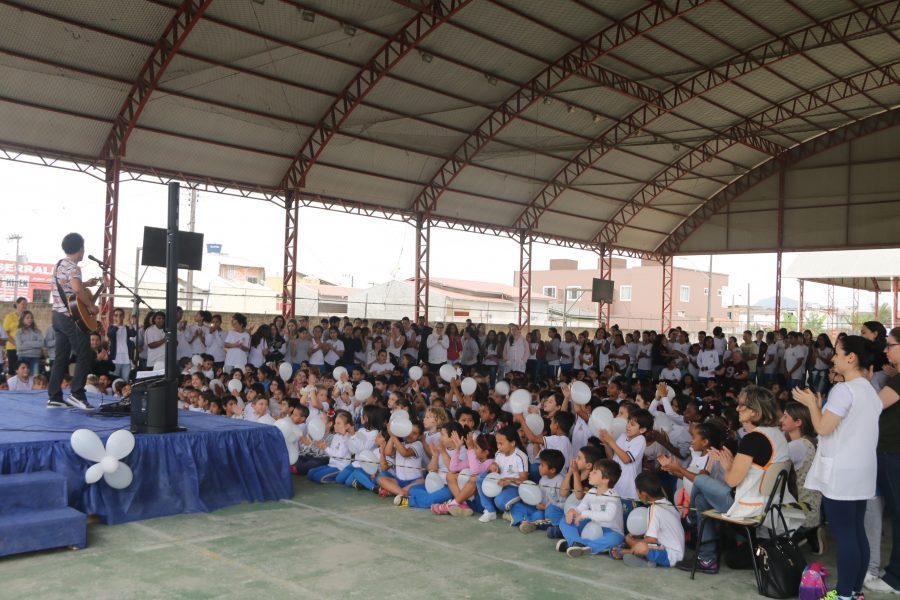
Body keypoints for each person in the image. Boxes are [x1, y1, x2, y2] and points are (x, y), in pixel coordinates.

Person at [793, 335, 882, 600]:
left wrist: (810, 405)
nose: (833, 358)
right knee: (857, 533)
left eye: (837, 353)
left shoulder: (845, 389)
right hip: (862, 471)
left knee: (846, 536)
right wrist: (820, 408)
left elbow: (822, 428)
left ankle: (843, 594)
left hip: (841, 473)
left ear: (850, 357)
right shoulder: (868, 388)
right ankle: (854, 591)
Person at [676, 386, 791, 575]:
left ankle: (692, 521)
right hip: (770, 503)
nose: (737, 409)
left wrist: (726, 465)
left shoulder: (753, 439)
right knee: (702, 500)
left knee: (700, 480)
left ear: (754, 411)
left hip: (749, 505)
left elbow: (731, 481)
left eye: (742, 406)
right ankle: (706, 557)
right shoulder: (777, 434)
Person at [48, 233, 101, 410]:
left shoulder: (59, 265)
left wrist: (87, 283)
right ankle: (77, 394)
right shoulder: (74, 267)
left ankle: (54, 397)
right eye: (83, 248)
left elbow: (68, 286)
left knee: (61, 357)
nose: (83, 251)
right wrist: (91, 307)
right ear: (79, 249)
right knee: (85, 352)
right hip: (70, 318)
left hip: (57, 316)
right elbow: (77, 291)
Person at [866, 326, 900, 594]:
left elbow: (873, 406)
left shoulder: (897, 380)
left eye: (890, 345)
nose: (886, 350)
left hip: (891, 451)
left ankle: (896, 576)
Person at [611, 471, 685, 568]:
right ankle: (631, 553)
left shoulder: (654, 508)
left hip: (670, 556)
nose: (637, 494)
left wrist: (631, 541)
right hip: (676, 552)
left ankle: (628, 554)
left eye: (637, 491)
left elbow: (651, 539)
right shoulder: (667, 503)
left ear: (644, 494)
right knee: (636, 542)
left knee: (639, 545)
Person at [556, 458, 625, 558]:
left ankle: (574, 544)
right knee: (564, 520)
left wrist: (585, 514)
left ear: (605, 479)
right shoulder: (592, 491)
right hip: (592, 526)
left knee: (614, 539)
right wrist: (572, 511)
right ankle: (577, 544)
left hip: (612, 531)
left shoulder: (613, 496)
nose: (590, 473)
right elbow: (581, 507)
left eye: (595, 472)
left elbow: (608, 517)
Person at [106, 308, 135, 381]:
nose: (118, 317)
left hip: (126, 360)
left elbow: (133, 334)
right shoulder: (112, 327)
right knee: (114, 380)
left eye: (120, 315)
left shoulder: (126, 327)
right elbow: (110, 335)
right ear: (113, 317)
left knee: (125, 381)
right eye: (116, 315)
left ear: (123, 316)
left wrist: (130, 323)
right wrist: (117, 325)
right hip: (115, 360)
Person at [14, 310, 42, 376]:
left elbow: (41, 344)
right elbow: (19, 347)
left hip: (35, 357)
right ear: (22, 319)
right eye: (27, 318)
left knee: (35, 377)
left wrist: (26, 343)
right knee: (23, 377)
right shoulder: (19, 332)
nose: (30, 319)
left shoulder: (37, 331)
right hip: (22, 357)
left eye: (31, 318)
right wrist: (34, 344)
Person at [4, 297, 27, 376]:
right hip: (12, 348)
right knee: (12, 369)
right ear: (17, 304)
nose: (24, 306)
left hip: (24, 348)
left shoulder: (26, 318)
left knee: (23, 370)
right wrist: (15, 343)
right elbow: (5, 333)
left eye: (26, 305)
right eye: (23, 304)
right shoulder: (9, 316)